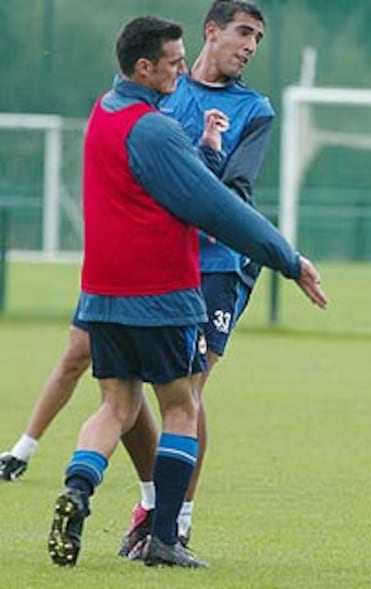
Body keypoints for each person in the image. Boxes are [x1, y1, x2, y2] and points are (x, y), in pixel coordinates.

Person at [45, 14, 327, 570]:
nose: (181, 70)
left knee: (116, 405)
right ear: (145, 67)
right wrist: (288, 259)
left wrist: (206, 152)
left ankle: (78, 489)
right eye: (173, 63)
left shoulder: (103, 114)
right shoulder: (154, 129)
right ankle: (167, 534)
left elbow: (165, 186)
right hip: (163, 292)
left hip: (103, 293)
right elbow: (212, 204)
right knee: (180, 405)